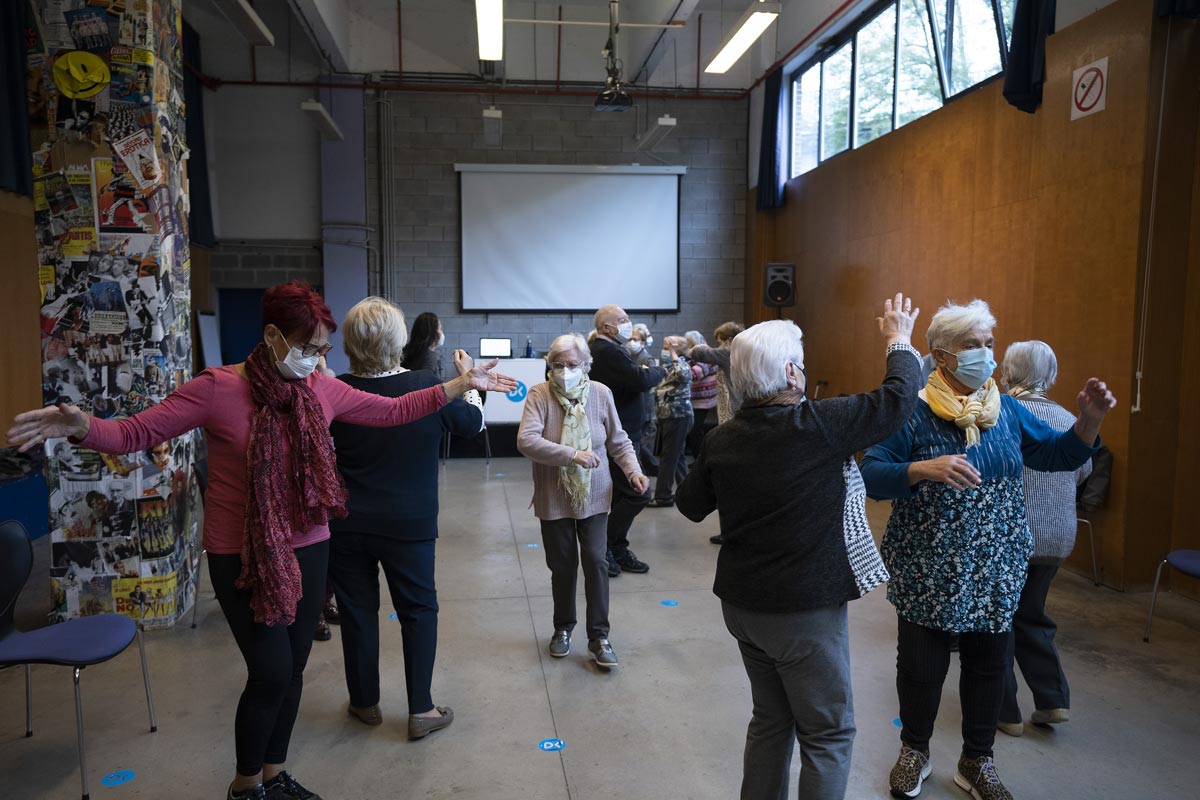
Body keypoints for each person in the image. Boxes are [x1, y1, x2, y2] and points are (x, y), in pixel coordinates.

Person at [7, 282, 516, 800]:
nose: (318, 359)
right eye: (310, 347)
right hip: (241, 551)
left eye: (323, 350)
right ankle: (245, 785)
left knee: (293, 669)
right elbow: (138, 433)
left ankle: (274, 773)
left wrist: (457, 385)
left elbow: (392, 411)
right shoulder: (217, 387)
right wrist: (81, 426)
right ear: (273, 336)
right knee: (270, 671)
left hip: (311, 542)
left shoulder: (321, 388)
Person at [860, 299, 1116, 800]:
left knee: (987, 665)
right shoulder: (911, 408)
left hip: (995, 561)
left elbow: (1058, 455)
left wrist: (1088, 422)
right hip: (927, 562)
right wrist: (920, 470)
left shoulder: (1007, 408)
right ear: (940, 355)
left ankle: (977, 762)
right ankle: (915, 751)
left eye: (989, 344)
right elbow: (871, 473)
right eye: (972, 345)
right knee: (922, 668)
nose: (985, 355)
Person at [675, 295, 922, 800]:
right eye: (803, 368)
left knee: (770, 719)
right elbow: (899, 397)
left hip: (742, 606)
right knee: (828, 734)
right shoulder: (820, 426)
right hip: (801, 613)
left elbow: (690, 506)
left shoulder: (722, 440)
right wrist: (898, 339)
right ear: (791, 373)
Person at [327, 297, 484, 741]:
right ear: (398, 341)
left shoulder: (336, 390)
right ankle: (421, 709)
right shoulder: (427, 386)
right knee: (418, 611)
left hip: (347, 522)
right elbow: (471, 424)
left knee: (357, 612)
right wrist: (468, 381)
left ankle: (364, 702)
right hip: (408, 524)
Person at [517, 333, 648, 668]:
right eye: (558, 365)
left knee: (596, 560)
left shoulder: (601, 394)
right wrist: (572, 454)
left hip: (595, 492)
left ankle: (599, 636)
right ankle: (563, 628)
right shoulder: (540, 395)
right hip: (554, 494)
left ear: (586, 365)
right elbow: (527, 441)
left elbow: (618, 440)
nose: (564, 371)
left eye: (572, 365)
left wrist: (633, 471)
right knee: (562, 566)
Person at [996, 341, 1092, 738]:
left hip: (1011, 535)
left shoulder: (1002, 412)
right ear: (1051, 375)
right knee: (1032, 615)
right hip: (1056, 536)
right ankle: (1052, 699)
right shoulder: (1072, 419)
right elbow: (1081, 470)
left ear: (1007, 372)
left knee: (997, 620)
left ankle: (1004, 711)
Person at [586, 304, 665, 577]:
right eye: (623, 320)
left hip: (627, 432)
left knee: (621, 494)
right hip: (618, 436)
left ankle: (617, 546)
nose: (628, 323)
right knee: (638, 493)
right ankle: (604, 546)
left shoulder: (614, 351)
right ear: (607, 327)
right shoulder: (606, 351)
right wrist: (660, 370)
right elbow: (640, 379)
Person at [648, 336, 693, 508]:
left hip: (678, 416)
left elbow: (684, 374)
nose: (665, 350)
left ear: (677, 349)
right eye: (665, 347)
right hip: (668, 417)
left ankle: (663, 496)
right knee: (677, 456)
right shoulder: (668, 366)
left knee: (668, 457)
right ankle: (687, 492)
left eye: (668, 347)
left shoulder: (681, 364)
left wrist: (674, 353)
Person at [687, 321, 744, 425]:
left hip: (732, 403)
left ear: (729, 341)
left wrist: (695, 347)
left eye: (719, 343)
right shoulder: (745, 351)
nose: (718, 347)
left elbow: (698, 354)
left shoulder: (727, 352)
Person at [628, 323, 659, 476]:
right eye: (630, 339)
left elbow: (653, 379)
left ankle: (653, 469)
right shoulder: (627, 356)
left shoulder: (647, 358)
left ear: (643, 342)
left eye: (635, 339)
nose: (631, 342)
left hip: (646, 406)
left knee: (642, 443)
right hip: (633, 406)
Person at [684, 330, 719, 457]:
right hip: (698, 399)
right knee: (695, 430)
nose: (685, 346)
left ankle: (700, 460)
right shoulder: (698, 355)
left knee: (695, 431)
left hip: (703, 400)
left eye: (687, 343)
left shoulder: (705, 355)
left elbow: (694, 374)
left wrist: (681, 366)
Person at [400, 311, 445, 379]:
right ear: (432, 332)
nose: (441, 332)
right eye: (440, 329)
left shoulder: (405, 351)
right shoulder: (430, 358)